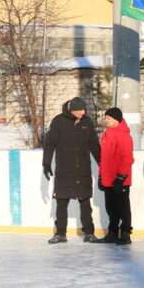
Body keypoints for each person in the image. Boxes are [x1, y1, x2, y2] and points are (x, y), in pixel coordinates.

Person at [42, 97, 101, 244]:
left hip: (82, 169)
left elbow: (94, 144)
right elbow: (49, 144)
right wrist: (46, 163)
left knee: (85, 202)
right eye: (80, 110)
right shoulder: (58, 121)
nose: (83, 112)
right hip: (64, 169)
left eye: (84, 110)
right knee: (61, 202)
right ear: (72, 110)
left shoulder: (87, 122)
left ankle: (89, 233)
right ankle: (60, 233)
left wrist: (102, 162)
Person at [97, 107, 134, 245]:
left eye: (109, 118)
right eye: (106, 118)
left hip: (120, 180)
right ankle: (112, 233)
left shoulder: (124, 135)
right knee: (110, 208)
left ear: (116, 120)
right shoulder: (106, 134)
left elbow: (127, 158)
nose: (106, 120)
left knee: (123, 207)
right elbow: (103, 158)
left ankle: (125, 233)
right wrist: (101, 176)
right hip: (108, 179)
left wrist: (121, 177)